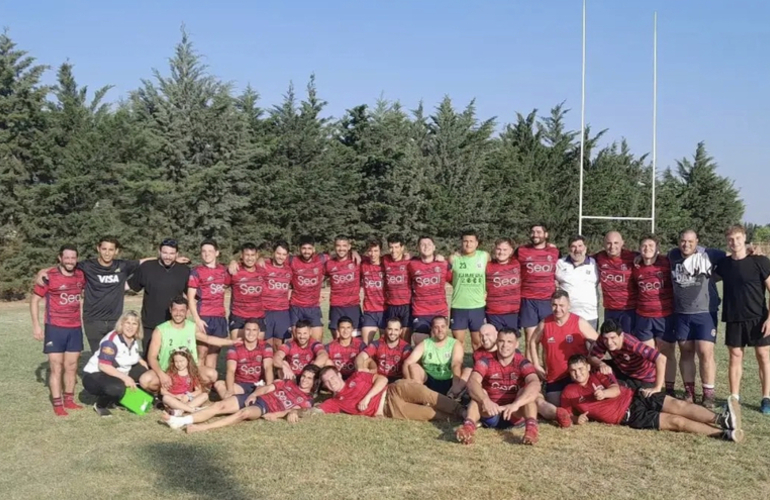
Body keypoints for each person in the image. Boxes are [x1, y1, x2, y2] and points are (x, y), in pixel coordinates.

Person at [560, 355, 744, 442]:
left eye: (581, 369)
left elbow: (615, 389)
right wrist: (577, 419)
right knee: (676, 422)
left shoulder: (599, 373)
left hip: (636, 396)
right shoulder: (569, 392)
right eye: (574, 371)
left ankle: (722, 419)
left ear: (586, 367)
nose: (578, 373)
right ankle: (724, 434)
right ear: (570, 372)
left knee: (678, 404)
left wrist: (603, 394)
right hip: (629, 416)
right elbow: (564, 415)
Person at [36, 237, 150, 352]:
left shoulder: (123, 266)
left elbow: (145, 262)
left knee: (117, 356)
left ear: (116, 251)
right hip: (93, 321)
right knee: (100, 356)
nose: (107, 253)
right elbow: (67, 265)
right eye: (104, 249)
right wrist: (43, 271)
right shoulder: (87, 266)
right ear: (98, 249)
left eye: (111, 250)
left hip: (116, 320)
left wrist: (163, 257)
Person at [162, 365, 320, 432]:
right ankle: (181, 421)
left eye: (309, 378)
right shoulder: (288, 383)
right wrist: (253, 394)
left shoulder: (307, 399)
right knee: (220, 406)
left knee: (242, 414)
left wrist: (277, 415)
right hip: (257, 397)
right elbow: (267, 388)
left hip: (263, 408)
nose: (305, 380)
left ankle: (200, 428)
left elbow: (294, 410)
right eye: (304, 376)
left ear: (314, 382)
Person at [715, 224, 770, 413]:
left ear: (744, 238)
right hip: (734, 318)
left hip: (758, 318)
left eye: (738, 238)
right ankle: (734, 398)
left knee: (763, 356)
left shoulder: (760, 261)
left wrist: (769, 319)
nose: (734, 242)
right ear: (727, 241)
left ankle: (766, 398)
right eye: (730, 239)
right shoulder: (724, 265)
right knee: (735, 357)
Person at [455, 329, 541, 445]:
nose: (505, 345)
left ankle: (531, 431)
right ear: (496, 342)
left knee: (526, 393)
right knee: (480, 394)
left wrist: (516, 404)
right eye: (501, 341)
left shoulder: (522, 362)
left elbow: (535, 383)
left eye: (509, 342)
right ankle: (468, 428)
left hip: (514, 413)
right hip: (490, 411)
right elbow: (472, 382)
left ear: (516, 344)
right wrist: (485, 400)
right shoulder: (485, 361)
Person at [30, 244, 87, 416]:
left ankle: (69, 399)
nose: (70, 261)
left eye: (73, 257)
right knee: (56, 366)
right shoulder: (49, 276)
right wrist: (36, 325)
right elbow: (34, 300)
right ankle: (57, 403)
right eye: (67, 257)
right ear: (60, 258)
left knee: (71, 366)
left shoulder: (81, 275)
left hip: (75, 327)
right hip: (55, 328)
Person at [668, 229, 722, 406]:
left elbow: (732, 259)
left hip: (704, 312)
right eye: (683, 241)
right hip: (681, 314)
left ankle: (708, 394)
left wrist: (751, 252)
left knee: (706, 352)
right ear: (678, 241)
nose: (686, 244)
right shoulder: (672, 255)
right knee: (686, 352)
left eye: (690, 241)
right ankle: (689, 392)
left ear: (697, 241)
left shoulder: (709, 254)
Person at [142, 296, 236, 393]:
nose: (178, 314)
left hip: (190, 372)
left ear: (187, 311)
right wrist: (162, 375)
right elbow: (151, 357)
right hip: (167, 371)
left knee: (212, 374)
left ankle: (191, 391)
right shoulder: (160, 330)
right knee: (145, 380)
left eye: (182, 310)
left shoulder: (192, 327)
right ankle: (163, 393)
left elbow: (209, 339)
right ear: (170, 310)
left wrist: (232, 342)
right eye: (175, 310)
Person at [310, 366, 464, 422]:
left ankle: (461, 411)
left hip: (392, 389)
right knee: (429, 414)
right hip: (390, 409)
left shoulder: (357, 376)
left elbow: (382, 379)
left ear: (338, 374)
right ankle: (463, 418)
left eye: (332, 377)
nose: (331, 382)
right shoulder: (335, 402)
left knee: (427, 394)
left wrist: (367, 397)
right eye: (327, 381)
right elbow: (314, 411)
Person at [527, 290, 598, 406]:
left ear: (569, 305)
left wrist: (591, 359)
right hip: (555, 377)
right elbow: (533, 341)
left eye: (561, 305)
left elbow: (597, 341)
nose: (558, 309)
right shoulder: (545, 323)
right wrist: (536, 364)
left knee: (582, 403)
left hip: (577, 375)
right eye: (554, 305)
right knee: (555, 404)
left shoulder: (579, 322)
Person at [82, 310, 154, 417]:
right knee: (117, 388)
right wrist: (126, 379)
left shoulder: (133, 340)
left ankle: (119, 400)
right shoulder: (111, 340)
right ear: (121, 324)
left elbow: (131, 354)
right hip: (95, 375)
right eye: (127, 323)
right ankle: (101, 405)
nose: (130, 327)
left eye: (134, 324)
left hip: (115, 372)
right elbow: (104, 365)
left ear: (138, 327)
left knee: (143, 372)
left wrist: (141, 361)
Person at [127, 238, 190, 353]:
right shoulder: (147, 268)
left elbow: (192, 295)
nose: (168, 256)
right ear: (159, 252)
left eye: (171, 253)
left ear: (177, 254)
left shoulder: (184, 271)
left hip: (175, 323)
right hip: (150, 324)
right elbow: (130, 286)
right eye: (165, 253)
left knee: (174, 359)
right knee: (150, 358)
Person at [187, 239, 231, 370]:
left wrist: (234, 262)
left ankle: (208, 386)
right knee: (201, 354)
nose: (207, 254)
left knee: (213, 355)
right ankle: (198, 385)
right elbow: (190, 299)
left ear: (217, 253)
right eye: (204, 251)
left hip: (219, 318)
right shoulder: (196, 271)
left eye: (210, 251)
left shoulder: (224, 271)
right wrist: (197, 320)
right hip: (204, 317)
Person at [589, 319, 666, 391]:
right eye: (605, 338)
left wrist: (658, 387)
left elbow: (661, 358)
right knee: (593, 368)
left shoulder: (632, 344)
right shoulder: (603, 339)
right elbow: (591, 357)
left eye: (613, 338)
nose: (609, 342)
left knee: (636, 397)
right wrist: (601, 364)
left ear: (621, 335)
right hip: (623, 369)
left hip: (643, 377)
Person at [515, 224, 560, 344]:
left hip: (547, 300)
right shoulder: (521, 251)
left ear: (546, 234)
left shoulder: (554, 251)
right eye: (533, 232)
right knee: (531, 339)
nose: (535, 234)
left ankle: (547, 364)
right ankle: (530, 363)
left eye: (539, 232)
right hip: (528, 299)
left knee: (548, 338)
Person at [633, 236, 675, 357]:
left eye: (651, 245)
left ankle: (668, 377)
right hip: (643, 316)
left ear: (657, 249)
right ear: (639, 249)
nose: (647, 248)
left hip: (664, 316)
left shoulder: (667, 263)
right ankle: (652, 377)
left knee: (667, 355)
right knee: (647, 356)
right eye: (644, 246)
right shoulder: (635, 265)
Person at [402, 316, 465, 396]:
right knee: (413, 366)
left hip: (450, 380)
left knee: (468, 371)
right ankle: (419, 394)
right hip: (429, 380)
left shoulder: (455, 343)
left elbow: (456, 364)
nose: (440, 330)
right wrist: (409, 381)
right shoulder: (425, 343)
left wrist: (455, 385)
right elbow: (407, 362)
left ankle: (454, 394)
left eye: (442, 326)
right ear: (432, 329)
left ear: (447, 327)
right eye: (436, 327)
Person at [213, 319, 274, 400]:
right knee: (219, 384)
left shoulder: (266, 346)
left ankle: (237, 402)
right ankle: (232, 400)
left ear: (259, 331)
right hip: (240, 385)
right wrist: (230, 391)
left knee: (275, 384)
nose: (251, 333)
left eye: (254, 330)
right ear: (243, 331)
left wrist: (268, 387)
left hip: (259, 384)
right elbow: (230, 371)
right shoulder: (234, 348)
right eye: (248, 330)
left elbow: (268, 368)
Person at [450, 230, 490, 350]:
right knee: (458, 343)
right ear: (461, 243)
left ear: (477, 243)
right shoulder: (453, 259)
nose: (468, 244)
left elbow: (492, 274)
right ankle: (458, 368)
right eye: (465, 241)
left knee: (478, 342)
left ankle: (478, 367)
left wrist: (487, 291)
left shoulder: (484, 256)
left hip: (477, 306)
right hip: (458, 306)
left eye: (471, 241)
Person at [409, 236, 452, 344]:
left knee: (439, 343)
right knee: (421, 343)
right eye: (422, 244)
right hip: (420, 311)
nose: (426, 246)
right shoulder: (411, 264)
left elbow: (455, 281)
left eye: (428, 244)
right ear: (418, 248)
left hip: (439, 311)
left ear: (434, 247)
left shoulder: (443, 264)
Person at [594, 231, 638, 335]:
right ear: (604, 244)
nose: (612, 246)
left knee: (628, 342)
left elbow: (650, 257)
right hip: (610, 309)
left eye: (616, 243)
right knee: (611, 341)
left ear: (622, 243)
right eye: (609, 243)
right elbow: (581, 258)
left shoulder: (633, 257)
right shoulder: (599, 257)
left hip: (629, 310)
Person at [288, 235, 328, 341]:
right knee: (296, 339)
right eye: (304, 248)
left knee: (317, 339)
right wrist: (260, 259)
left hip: (313, 307)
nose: (306, 251)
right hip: (296, 306)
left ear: (314, 249)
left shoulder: (321, 259)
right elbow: (275, 260)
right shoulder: (292, 260)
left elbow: (340, 256)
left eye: (309, 248)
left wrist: (354, 252)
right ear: (299, 249)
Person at [555, 235, 599, 329]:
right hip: (566, 315)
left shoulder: (594, 264)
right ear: (569, 249)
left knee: (590, 343)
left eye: (580, 246)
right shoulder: (560, 263)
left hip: (589, 316)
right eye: (573, 246)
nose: (577, 249)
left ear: (585, 248)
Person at [325, 235, 362, 339]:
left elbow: (375, 258)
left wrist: (355, 252)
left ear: (349, 246)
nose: (341, 248)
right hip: (336, 306)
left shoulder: (357, 261)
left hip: (353, 306)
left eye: (344, 246)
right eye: (338, 246)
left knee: (356, 341)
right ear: (334, 246)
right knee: (337, 339)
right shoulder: (329, 264)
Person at [228, 243, 266, 340]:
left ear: (257, 256)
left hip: (258, 316)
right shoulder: (234, 270)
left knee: (257, 350)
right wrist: (232, 261)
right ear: (241, 255)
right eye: (247, 255)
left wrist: (262, 259)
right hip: (239, 316)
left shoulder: (262, 270)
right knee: (237, 347)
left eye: (252, 255)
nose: (250, 258)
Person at [485, 238, 522, 333]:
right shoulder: (487, 266)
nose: (501, 252)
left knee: (511, 342)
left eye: (505, 249)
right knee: (496, 342)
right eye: (499, 249)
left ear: (511, 251)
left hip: (513, 312)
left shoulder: (517, 263)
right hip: (494, 312)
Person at [261, 241, 294, 349]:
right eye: (278, 253)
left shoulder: (289, 269)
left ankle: (278, 365)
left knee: (279, 344)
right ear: (273, 253)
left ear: (287, 255)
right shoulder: (264, 265)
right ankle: (268, 365)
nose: (281, 257)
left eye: (284, 254)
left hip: (282, 311)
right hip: (265, 310)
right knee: (267, 343)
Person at [383, 234, 412, 341]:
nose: (393, 250)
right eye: (391, 247)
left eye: (396, 247)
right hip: (391, 305)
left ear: (402, 248)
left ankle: (405, 358)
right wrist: (353, 253)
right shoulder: (385, 260)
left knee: (405, 340)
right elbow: (370, 257)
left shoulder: (409, 261)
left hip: (406, 305)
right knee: (391, 338)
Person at [161, 349, 209, 414]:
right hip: (175, 400)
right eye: (176, 362)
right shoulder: (170, 373)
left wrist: (188, 396)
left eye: (182, 361)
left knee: (205, 395)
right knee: (166, 398)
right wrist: (175, 396)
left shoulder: (192, 373)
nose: (179, 364)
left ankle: (180, 410)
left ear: (188, 360)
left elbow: (199, 390)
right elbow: (162, 391)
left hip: (188, 399)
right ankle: (192, 410)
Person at [360, 239, 386, 344]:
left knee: (385, 346)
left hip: (385, 310)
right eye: (370, 251)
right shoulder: (363, 265)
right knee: (365, 345)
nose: (373, 254)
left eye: (376, 251)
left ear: (380, 251)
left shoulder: (386, 264)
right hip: (369, 310)